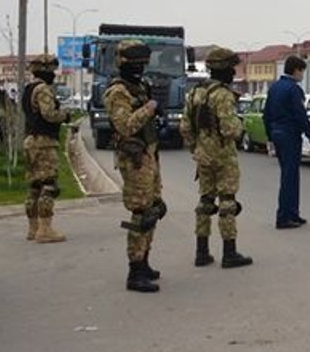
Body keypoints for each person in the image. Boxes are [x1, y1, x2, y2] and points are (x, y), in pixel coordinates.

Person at [104, 40, 167, 293]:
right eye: (136, 64)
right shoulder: (117, 92)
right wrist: (149, 108)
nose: (140, 69)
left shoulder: (139, 86)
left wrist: (155, 110)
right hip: (134, 159)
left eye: (143, 64)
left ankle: (144, 262)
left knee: (153, 209)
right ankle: (134, 271)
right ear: (123, 63)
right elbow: (125, 126)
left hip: (149, 153)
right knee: (141, 213)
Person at [181, 47, 253, 269]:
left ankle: (201, 252)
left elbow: (185, 127)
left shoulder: (195, 92)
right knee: (227, 203)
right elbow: (230, 129)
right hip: (223, 156)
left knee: (205, 202)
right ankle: (229, 252)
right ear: (223, 70)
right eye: (231, 68)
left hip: (203, 156)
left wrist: (196, 148)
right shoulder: (222, 95)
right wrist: (240, 125)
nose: (233, 72)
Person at [21, 55, 70, 243]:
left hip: (31, 140)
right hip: (44, 142)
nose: (55, 74)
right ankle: (45, 229)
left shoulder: (29, 88)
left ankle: (33, 228)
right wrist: (64, 115)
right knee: (49, 185)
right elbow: (48, 114)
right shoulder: (43, 89)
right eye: (53, 70)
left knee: (34, 186)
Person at [262, 56, 310, 229]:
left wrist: (270, 136)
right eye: (302, 72)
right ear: (296, 70)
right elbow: (300, 114)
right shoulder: (294, 90)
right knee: (290, 177)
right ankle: (284, 217)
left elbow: (266, 114)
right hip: (290, 134)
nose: (302, 75)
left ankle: (293, 213)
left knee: (288, 174)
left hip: (277, 133)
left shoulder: (274, 88)